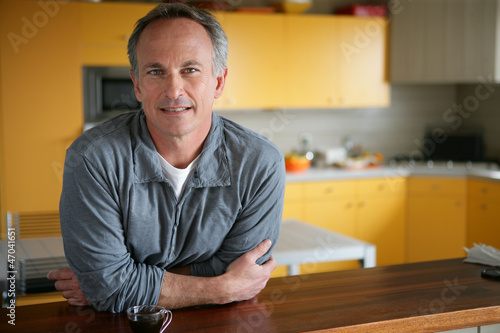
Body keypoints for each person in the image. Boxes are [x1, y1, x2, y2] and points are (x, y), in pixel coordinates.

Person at [47, 3, 285, 313]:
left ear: (218, 82)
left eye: (190, 69)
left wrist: (123, 283)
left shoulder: (261, 164)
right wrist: (222, 287)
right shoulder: (92, 158)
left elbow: (110, 286)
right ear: (137, 85)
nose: (173, 90)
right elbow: (108, 285)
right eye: (156, 71)